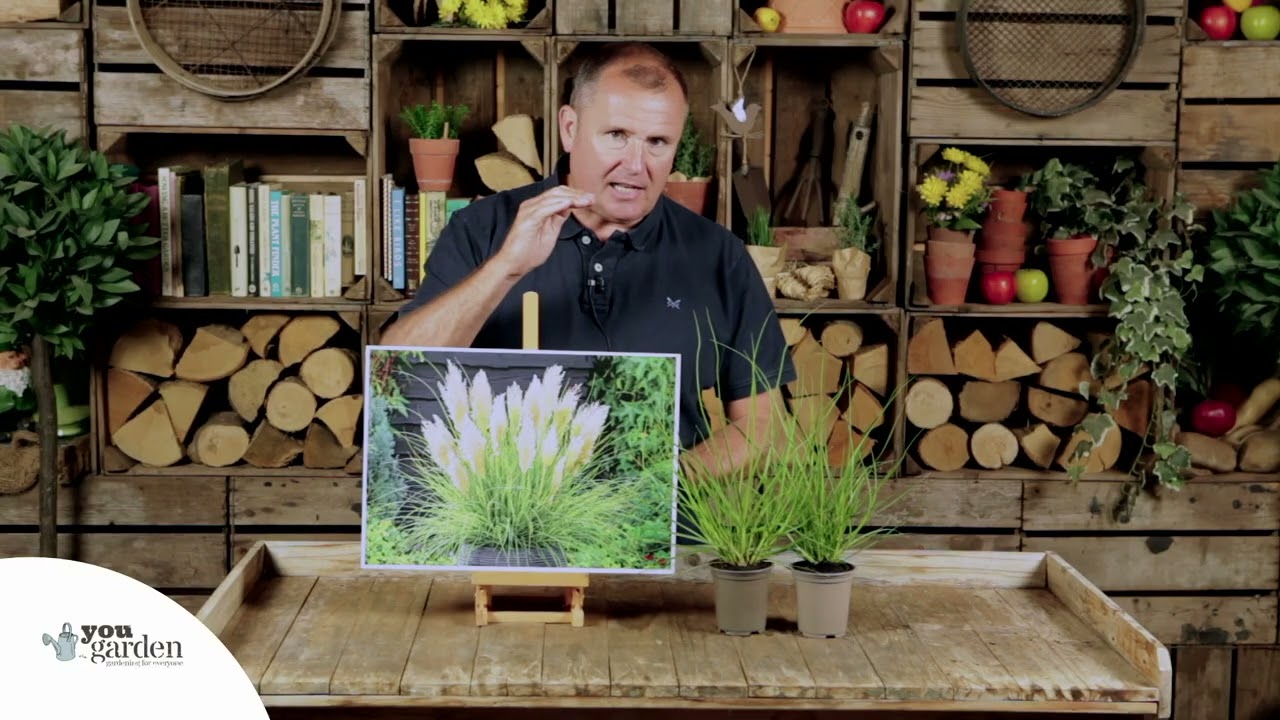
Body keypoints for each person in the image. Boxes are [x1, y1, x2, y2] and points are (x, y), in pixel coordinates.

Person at [380, 41, 795, 482]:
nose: (636, 165)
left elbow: (764, 426)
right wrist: (506, 268)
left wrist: (661, 490)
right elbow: (395, 373)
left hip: (670, 521)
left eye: (657, 142)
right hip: (505, 520)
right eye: (616, 135)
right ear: (570, 128)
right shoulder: (482, 228)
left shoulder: (717, 254)